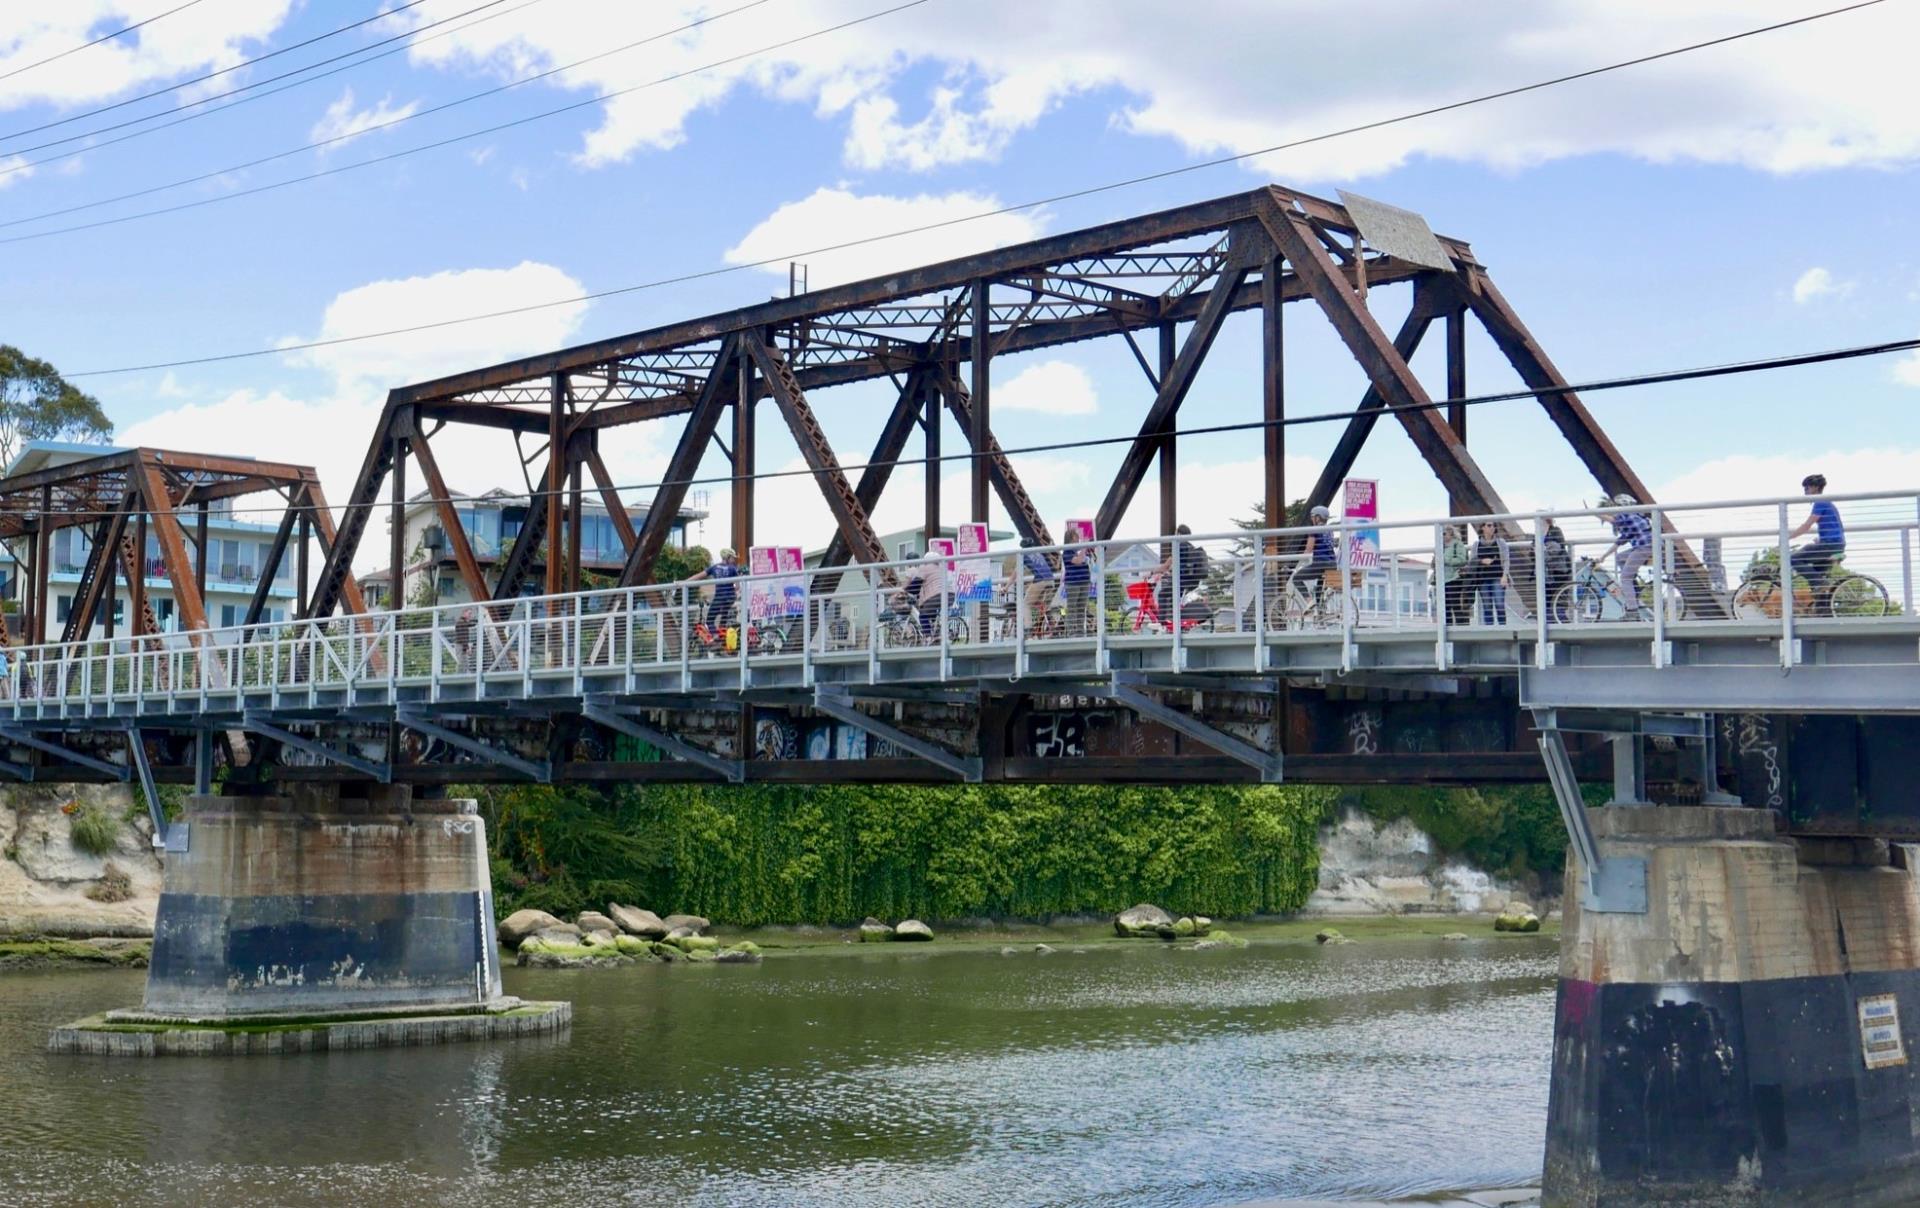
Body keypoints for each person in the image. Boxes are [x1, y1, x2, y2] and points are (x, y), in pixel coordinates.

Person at [1787, 472, 1845, 616]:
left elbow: (1807, 525)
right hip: (1835, 543)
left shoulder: (1820, 502)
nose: (1805, 491)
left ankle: (1819, 582)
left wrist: (1787, 537)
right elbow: (1836, 526)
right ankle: (1824, 612)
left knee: (1793, 559)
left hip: (1831, 544)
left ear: (1815, 487)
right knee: (1817, 573)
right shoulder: (1827, 503)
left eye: (1807, 488)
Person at [1152, 524, 1209, 625]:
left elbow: (1166, 565)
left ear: (1178, 533)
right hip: (1191, 581)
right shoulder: (1190, 547)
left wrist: (1151, 573)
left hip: (1182, 581)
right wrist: (1169, 573)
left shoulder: (1179, 546)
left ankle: (1161, 624)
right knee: (1174, 600)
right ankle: (1175, 623)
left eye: (1175, 532)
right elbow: (1181, 566)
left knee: (1162, 594)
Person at [1606, 494, 1653, 620]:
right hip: (1647, 546)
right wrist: (1604, 556)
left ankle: (1632, 611)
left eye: (1616, 507)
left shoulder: (1628, 515)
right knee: (1620, 558)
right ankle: (1634, 585)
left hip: (1644, 547)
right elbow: (1620, 541)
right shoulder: (1635, 516)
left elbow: (1613, 520)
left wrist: (1593, 513)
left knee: (1625, 578)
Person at [685, 548, 742, 636]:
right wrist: (732, 590)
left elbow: (698, 576)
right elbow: (737, 587)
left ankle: (716, 637)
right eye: (732, 558)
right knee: (724, 618)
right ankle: (723, 636)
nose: (734, 560)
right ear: (727, 557)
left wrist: (684, 582)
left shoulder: (714, 567)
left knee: (709, 621)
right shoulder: (733, 569)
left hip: (719, 598)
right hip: (730, 598)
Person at [1018, 538, 1057, 636]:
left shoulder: (1024, 554)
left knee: (1026, 604)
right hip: (1051, 580)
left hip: (1041, 581)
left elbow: (1016, 573)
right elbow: (1040, 570)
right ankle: (1051, 623)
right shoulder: (1038, 553)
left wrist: (1006, 587)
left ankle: (1028, 630)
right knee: (1040, 603)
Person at [1471, 522, 1507, 625]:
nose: (1492, 528)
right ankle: (1490, 630)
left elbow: (1506, 560)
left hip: (1498, 577)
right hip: (1482, 579)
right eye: (1489, 525)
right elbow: (1472, 561)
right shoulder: (1476, 544)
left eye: (1494, 525)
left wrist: (1505, 576)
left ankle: (1503, 629)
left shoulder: (1501, 542)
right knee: (1487, 606)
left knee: (1499, 604)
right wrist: (1482, 561)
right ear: (1482, 527)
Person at [1063, 528, 1094, 636]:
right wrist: (1084, 548)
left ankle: (1080, 631)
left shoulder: (1077, 552)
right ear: (1071, 539)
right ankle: (1071, 631)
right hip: (1073, 583)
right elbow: (1078, 561)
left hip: (1084, 581)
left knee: (1081, 607)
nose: (1078, 539)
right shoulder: (1067, 552)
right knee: (1072, 607)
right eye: (1076, 537)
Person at [1440, 524, 1471, 625]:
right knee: (1445, 606)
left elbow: (1462, 560)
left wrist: (1447, 560)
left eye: (1444, 533)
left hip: (1454, 577)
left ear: (1451, 534)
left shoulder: (1458, 544)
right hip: (1442, 579)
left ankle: (1461, 627)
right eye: (1441, 534)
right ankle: (1447, 628)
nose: (1442, 536)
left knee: (1455, 604)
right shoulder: (1441, 547)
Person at [1543, 523, 1573, 618]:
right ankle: (1553, 621)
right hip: (1550, 574)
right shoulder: (1541, 537)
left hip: (1560, 572)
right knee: (1550, 600)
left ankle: (1560, 622)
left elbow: (1546, 555)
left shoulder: (1554, 540)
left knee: (1557, 600)